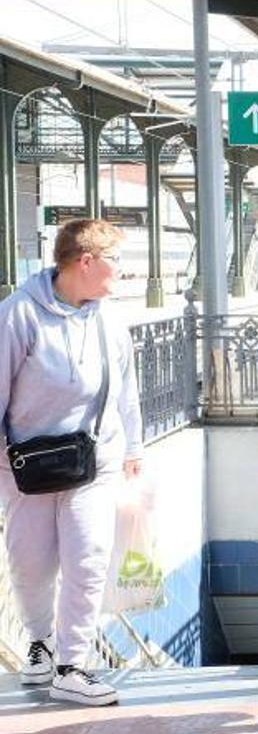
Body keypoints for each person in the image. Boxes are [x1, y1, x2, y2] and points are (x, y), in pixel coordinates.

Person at [0, 218, 143, 706]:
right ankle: (40, 643)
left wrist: (133, 448)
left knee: (88, 558)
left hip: (93, 462)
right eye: (115, 261)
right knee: (31, 561)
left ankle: (72, 664)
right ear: (86, 262)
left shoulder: (109, 318)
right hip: (26, 464)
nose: (121, 271)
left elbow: (126, 390)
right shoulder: (18, 314)